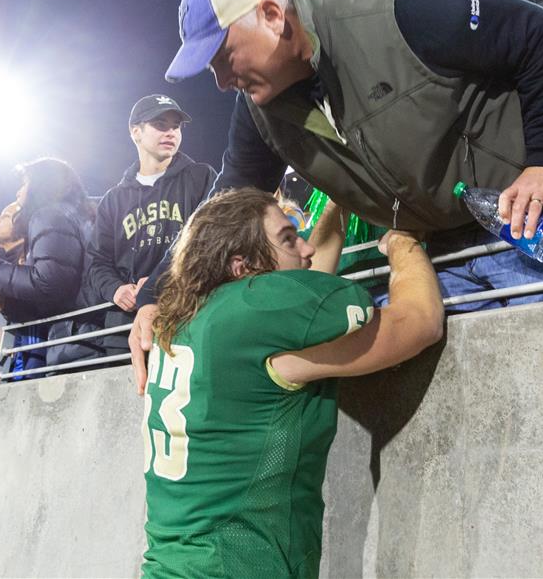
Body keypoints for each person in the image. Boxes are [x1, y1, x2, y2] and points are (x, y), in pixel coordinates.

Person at [151, 0, 543, 311]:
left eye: (224, 57)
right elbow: (225, 208)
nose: (222, 81)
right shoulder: (258, 110)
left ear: (272, 14)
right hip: (435, 239)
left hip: (526, 214)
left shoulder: (402, 10)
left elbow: (539, 33)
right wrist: (158, 298)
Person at [139, 187, 442, 577]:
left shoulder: (187, 319)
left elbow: (304, 272)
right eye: (287, 238)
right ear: (242, 266)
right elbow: (420, 320)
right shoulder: (256, 310)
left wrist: (340, 200)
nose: (306, 247)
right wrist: (402, 240)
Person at [76, 95, 216, 363]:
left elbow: (211, 243)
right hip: (125, 326)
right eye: (160, 124)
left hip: (188, 314)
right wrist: (116, 289)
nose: (171, 132)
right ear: (136, 132)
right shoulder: (114, 199)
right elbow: (97, 261)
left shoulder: (201, 177)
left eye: (176, 126)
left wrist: (160, 282)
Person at [0, 158, 94, 373]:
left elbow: (50, 282)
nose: (18, 193)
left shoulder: (49, 215)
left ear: (42, 183)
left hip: (78, 338)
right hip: (75, 336)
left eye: (24, 183)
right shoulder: (71, 214)